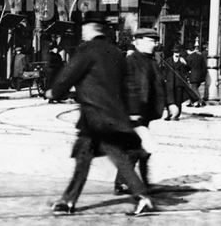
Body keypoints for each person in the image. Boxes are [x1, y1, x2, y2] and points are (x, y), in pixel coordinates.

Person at [48, 13, 151, 217]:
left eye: (84, 28)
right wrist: (133, 112)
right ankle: (68, 201)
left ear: (90, 28)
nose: (82, 31)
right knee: (83, 156)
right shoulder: (116, 53)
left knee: (113, 154)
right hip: (107, 116)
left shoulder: (87, 50)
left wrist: (54, 91)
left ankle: (141, 196)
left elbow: (69, 74)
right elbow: (129, 85)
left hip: (96, 117)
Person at [117, 27, 164, 198]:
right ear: (138, 41)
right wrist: (133, 111)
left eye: (155, 41)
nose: (154, 44)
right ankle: (133, 182)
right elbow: (127, 87)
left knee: (137, 149)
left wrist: (172, 103)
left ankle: (126, 181)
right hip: (133, 113)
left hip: (145, 112)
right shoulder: (131, 61)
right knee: (141, 149)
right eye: (151, 40)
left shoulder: (150, 61)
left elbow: (159, 85)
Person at [162, 45, 189, 121]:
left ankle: (176, 115)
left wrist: (185, 64)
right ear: (173, 52)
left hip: (179, 83)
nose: (177, 53)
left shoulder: (182, 60)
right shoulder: (168, 60)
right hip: (170, 83)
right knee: (169, 100)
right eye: (175, 52)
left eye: (178, 52)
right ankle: (169, 114)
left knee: (178, 100)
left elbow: (188, 69)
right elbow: (164, 71)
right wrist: (164, 79)